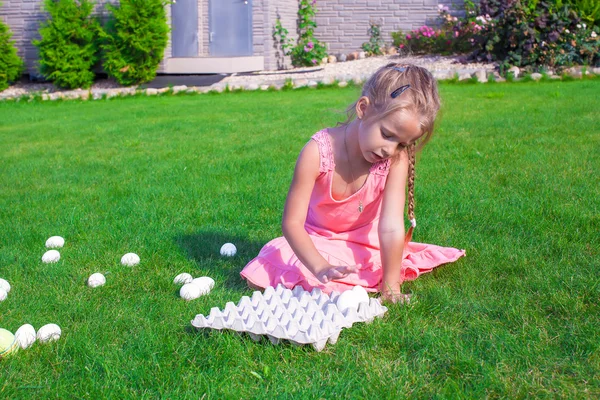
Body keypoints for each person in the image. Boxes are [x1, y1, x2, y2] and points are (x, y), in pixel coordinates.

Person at [240, 63, 465, 303]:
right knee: (278, 253)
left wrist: (391, 287)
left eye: (402, 144)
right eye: (387, 135)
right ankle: (329, 275)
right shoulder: (317, 152)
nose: (390, 149)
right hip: (318, 241)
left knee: (379, 258)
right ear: (363, 109)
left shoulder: (396, 161)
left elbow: (390, 227)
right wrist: (320, 267)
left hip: (367, 244)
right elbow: (292, 223)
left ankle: (347, 278)